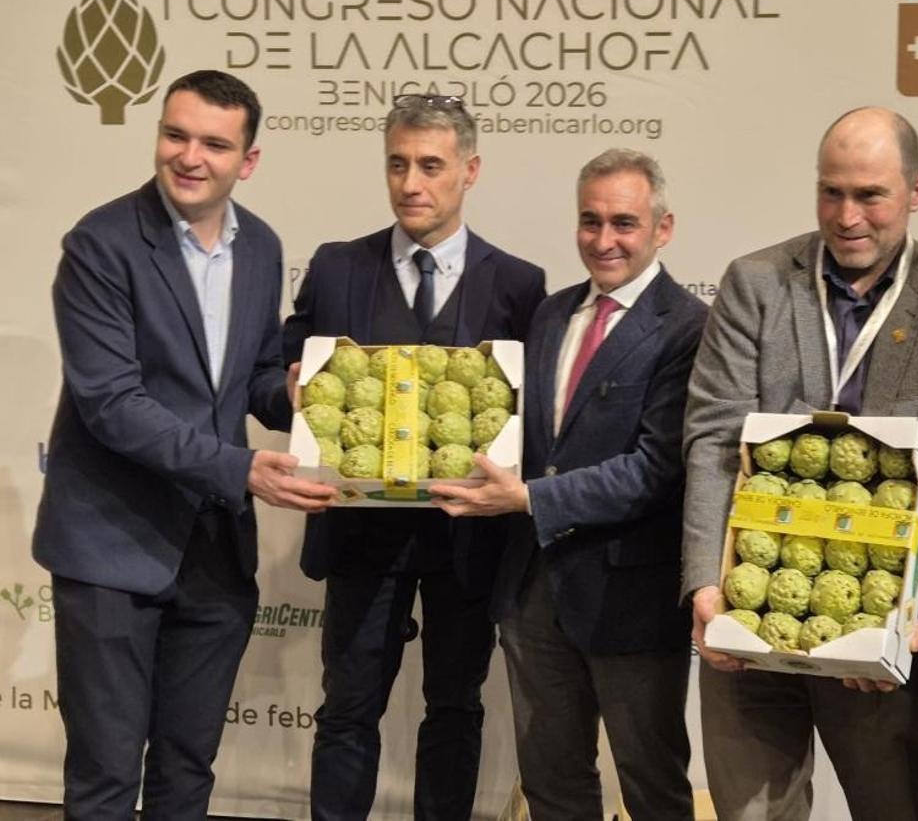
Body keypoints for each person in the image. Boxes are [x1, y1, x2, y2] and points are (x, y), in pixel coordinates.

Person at [682, 107, 918, 820]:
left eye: (870, 195)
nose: (847, 216)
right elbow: (713, 437)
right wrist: (707, 584)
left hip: (875, 617)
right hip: (748, 608)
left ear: (916, 191)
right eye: (831, 192)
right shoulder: (755, 283)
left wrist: (905, 615)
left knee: (888, 804)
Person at [33, 69, 337, 820]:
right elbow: (112, 404)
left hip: (213, 552)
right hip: (112, 546)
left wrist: (297, 394)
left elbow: (248, 378)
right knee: (105, 780)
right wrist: (242, 469)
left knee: (187, 770)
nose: (189, 157)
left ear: (248, 160)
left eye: (214, 144)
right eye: (176, 135)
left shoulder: (260, 246)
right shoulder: (101, 243)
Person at [281, 94, 546, 821]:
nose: (410, 183)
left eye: (430, 166)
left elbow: (532, 417)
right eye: (397, 164)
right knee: (347, 709)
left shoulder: (519, 283)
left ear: (470, 171)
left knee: (456, 709)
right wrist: (289, 391)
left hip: (468, 542)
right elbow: (277, 371)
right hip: (359, 534)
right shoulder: (338, 267)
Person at [430, 148, 707, 819]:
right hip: (532, 591)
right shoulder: (549, 315)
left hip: (632, 599)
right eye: (590, 221)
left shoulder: (690, 327)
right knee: (552, 785)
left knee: (652, 785)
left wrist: (528, 498)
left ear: (663, 228)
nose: (604, 239)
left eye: (624, 223)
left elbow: (655, 468)